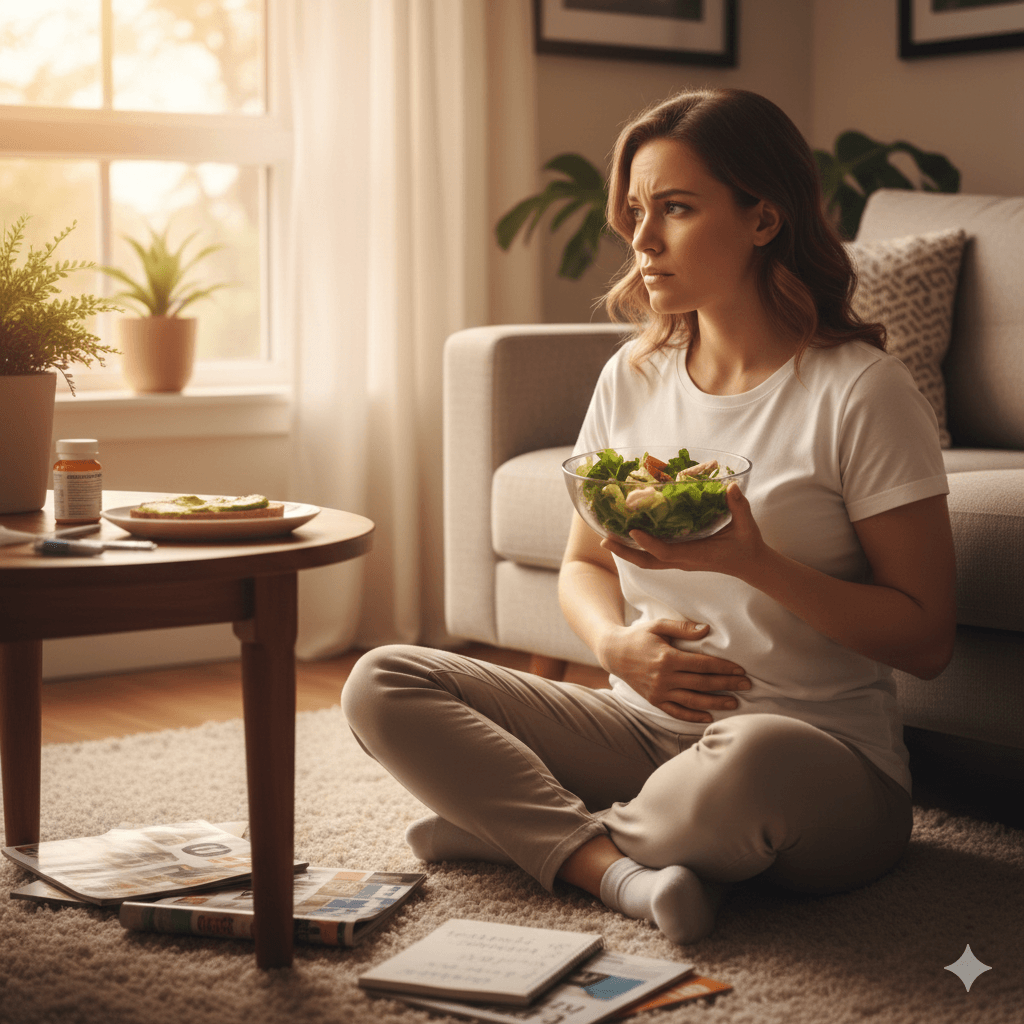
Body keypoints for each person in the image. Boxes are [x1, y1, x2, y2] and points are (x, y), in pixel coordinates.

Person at [341, 88, 956, 944]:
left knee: (751, 758)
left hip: (814, 760)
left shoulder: (859, 391)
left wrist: (753, 561)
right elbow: (585, 566)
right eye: (635, 211)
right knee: (384, 680)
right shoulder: (632, 377)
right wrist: (612, 646)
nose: (641, 240)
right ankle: (607, 864)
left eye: (675, 208)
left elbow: (927, 639)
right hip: (638, 727)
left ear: (763, 220)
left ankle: (515, 830)